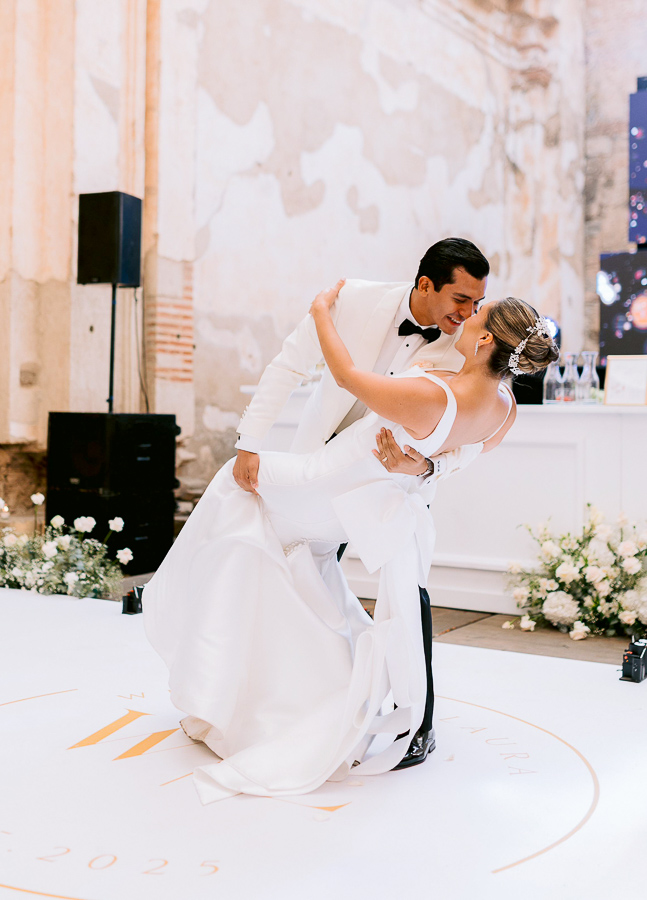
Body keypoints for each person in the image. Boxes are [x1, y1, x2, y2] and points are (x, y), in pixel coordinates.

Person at [143, 287, 558, 806]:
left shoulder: (431, 396)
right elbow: (470, 452)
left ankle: (215, 663)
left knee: (234, 484)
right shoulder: (504, 408)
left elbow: (345, 377)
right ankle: (258, 689)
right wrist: (428, 464)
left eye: (479, 315)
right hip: (352, 505)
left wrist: (320, 312)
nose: (468, 316)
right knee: (269, 551)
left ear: (486, 341)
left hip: (321, 484)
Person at [234, 238, 491, 769]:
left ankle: (418, 722)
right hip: (320, 466)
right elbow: (287, 366)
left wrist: (428, 469)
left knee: (406, 594)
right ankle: (306, 702)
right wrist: (249, 442)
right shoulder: (352, 300)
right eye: (461, 299)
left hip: (394, 483)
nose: (468, 314)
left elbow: (475, 433)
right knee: (299, 575)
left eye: (476, 303)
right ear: (426, 285)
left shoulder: (465, 348)